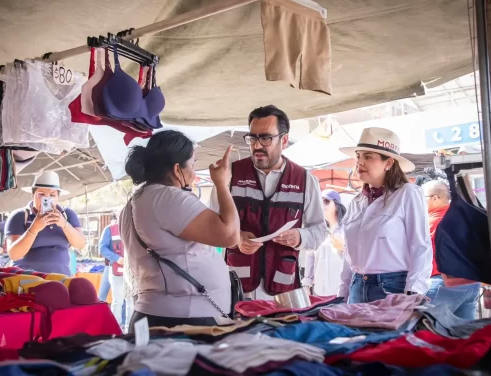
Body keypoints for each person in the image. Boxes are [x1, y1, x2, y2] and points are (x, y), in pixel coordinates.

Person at [119, 130, 239, 328]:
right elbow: (230, 235)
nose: (193, 172)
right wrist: (222, 184)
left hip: (156, 314)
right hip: (183, 320)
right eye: (192, 164)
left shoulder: (136, 202)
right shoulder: (168, 198)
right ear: (177, 169)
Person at [209, 105, 326, 300]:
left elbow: (320, 230)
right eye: (252, 138)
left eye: (265, 138)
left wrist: (300, 236)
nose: (257, 145)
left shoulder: (304, 180)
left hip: (284, 292)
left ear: (285, 140)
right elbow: (210, 225)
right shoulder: (230, 175)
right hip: (237, 289)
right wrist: (236, 237)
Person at [337, 127, 432, 303]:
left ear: (388, 163)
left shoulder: (408, 193)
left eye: (368, 157)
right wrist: (341, 295)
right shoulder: (356, 201)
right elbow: (348, 255)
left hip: (393, 287)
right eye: (358, 156)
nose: (359, 162)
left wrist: (414, 292)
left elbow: (420, 246)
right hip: (356, 286)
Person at [4, 171, 85, 275]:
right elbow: (14, 254)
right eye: (41, 194)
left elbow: (80, 244)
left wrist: (64, 225)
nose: (47, 199)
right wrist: (34, 228)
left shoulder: (67, 214)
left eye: (52, 195)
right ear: (32, 195)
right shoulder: (19, 216)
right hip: (26, 280)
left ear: (57, 197)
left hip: (61, 279)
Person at [423, 180, 480, 320]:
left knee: (428, 332)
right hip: (471, 283)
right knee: (464, 334)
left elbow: (422, 254)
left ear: (435, 198)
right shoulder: (462, 217)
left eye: (421, 198)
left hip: (443, 282)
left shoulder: (432, 221)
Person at [302, 189, 347, 296]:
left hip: (340, 292)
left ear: (336, 205)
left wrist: (344, 247)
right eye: (320, 202)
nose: (322, 205)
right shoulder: (317, 232)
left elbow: (355, 259)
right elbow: (310, 258)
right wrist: (306, 285)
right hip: (318, 292)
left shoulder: (347, 231)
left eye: (326, 201)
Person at [99, 214, 134, 331]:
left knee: (131, 302)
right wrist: (116, 258)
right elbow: (102, 248)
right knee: (117, 301)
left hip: (132, 272)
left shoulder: (135, 228)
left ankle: (129, 330)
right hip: (116, 271)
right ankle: (116, 329)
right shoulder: (109, 229)